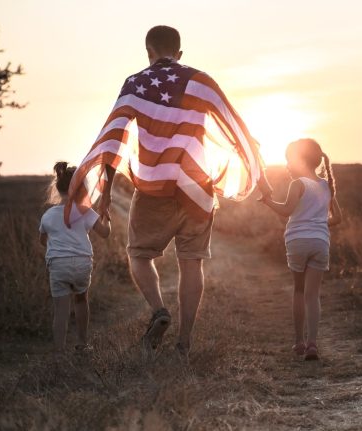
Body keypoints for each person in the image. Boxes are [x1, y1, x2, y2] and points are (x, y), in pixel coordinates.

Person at [65, 25, 272, 360]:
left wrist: (103, 197)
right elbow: (237, 127)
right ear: (179, 53)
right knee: (192, 262)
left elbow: (113, 137)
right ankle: (184, 342)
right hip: (197, 188)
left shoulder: (134, 83)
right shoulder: (201, 81)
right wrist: (260, 179)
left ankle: (159, 310)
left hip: (153, 187)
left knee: (139, 255)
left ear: (149, 52)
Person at [260, 139, 342, 360]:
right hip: (320, 242)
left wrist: (267, 201)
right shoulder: (327, 185)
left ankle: (298, 342)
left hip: (297, 241)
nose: (287, 164)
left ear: (300, 160)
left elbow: (286, 211)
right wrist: (319, 223)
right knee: (313, 294)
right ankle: (313, 344)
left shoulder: (297, 184)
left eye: (289, 159)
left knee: (298, 290)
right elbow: (338, 218)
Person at [39, 162, 111, 355]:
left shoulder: (48, 215)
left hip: (58, 264)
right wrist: (105, 216)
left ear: (57, 188)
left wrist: (57, 247)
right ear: (81, 189)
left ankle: (59, 351)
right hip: (82, 262)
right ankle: (82, 343)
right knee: (81, 301)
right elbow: (105, 233)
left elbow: (42, 240)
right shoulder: (86, 211)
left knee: (61, 309)